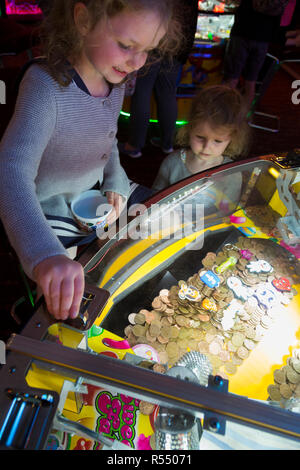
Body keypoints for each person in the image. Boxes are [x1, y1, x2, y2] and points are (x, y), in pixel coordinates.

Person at [0, 0, 180, 321]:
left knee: (165, 221)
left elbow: (106, 141)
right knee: (66, 303)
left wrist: (116, 179)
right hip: (49, 213)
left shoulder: (115, 80)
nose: (138, 62)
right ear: (83, 19)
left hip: (96, 198)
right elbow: (10, 171)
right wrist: (45, 254)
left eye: (149, 50)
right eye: (127, 45)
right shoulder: (45, 88)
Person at [119, 0, 199, 158]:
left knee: (142, 93)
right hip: (176, 47)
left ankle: (134, 145)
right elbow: (192, 24)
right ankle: (167, 143)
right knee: (168, 94)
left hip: (152, 44)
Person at [152, 85, 250, 192]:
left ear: (233, 137)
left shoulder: (231, 174)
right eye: (200, 137)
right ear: (190, 128)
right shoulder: (172, 164)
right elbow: (156, 195)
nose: (206, 147)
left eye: (217, 141)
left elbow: (229, 207)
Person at [223, 0, 289, 109]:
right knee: (251, 82)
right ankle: (243, 119)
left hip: (242, 34)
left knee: (231, 79)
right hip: (262, 40)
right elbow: (276, 26)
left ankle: (222, 117)